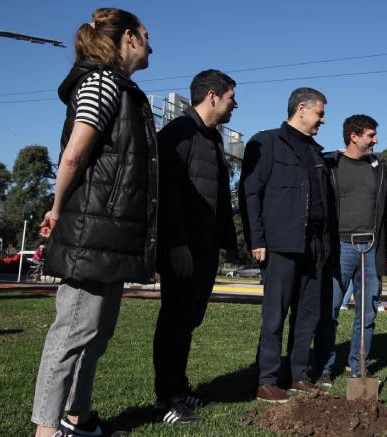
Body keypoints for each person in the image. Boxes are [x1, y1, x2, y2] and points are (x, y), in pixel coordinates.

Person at [31, 8, 155, 437]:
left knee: (96, 335)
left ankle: (77, 419)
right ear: (128, 38)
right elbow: (74, 153)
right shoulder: (101, 81)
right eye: (145, 35)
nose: (151, 45)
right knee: (71, 333)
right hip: (91, 230)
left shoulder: (120, 86)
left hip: (111, 232)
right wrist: (57, 206)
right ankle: (46, 431)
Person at [152, 69, 239, 424]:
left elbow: (216, 196)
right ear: (213, 96)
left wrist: (225, 243)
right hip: (182, 248)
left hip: (204, 247)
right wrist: (175, 244)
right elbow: (165, 192)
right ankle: (167, 399)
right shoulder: (178, 132)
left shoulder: (213, 139)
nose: (236, 105)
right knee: (174, 320)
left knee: (188, 321)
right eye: (232, 98)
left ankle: (179, 387)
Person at [238, 87, 332, 403]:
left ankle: (297, 375)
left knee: (307, 317)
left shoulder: (317, 152)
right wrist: (258, 239)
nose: (322, 119)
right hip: (281, 244)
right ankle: (266, 379)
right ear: (301, 108)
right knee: (275, 316)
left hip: (314, 247)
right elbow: (250, 193)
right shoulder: (265, 142)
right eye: (320, 113)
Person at [313, 114, 387, 388]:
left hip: (372, 249)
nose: (376, 140)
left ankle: (358, 368)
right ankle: (324, 368)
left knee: (368, 312)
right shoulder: (329, 164)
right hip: (339, 248)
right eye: (371, 135)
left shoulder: (379, 170)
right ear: (354, 136)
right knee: (330, 310)